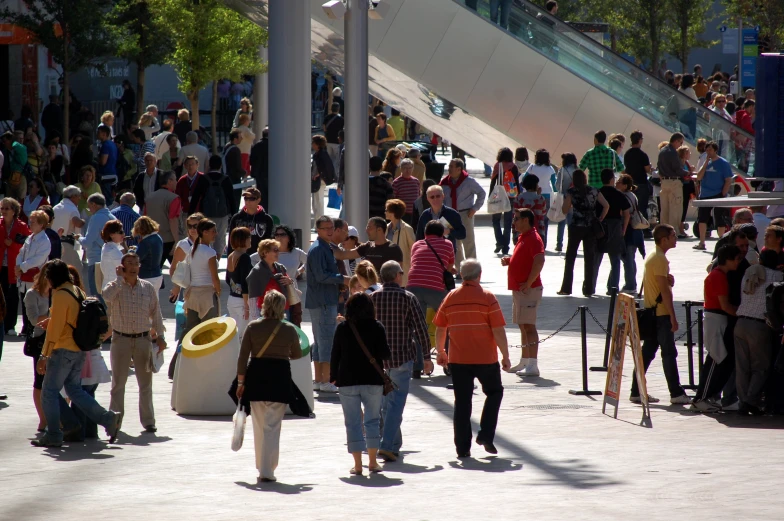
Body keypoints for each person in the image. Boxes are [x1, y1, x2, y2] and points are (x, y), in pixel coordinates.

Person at [31, 259, 122, 448]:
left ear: (52, 277)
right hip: (79, 350)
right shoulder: (76, 290)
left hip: (62, 350)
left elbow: (55, 329)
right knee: (74, 390)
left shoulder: (60, 294)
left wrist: (44, 355)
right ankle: (106, 419)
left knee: (48, 392)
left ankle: (54, 434)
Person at [433, 259, 511, 457]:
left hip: (459, 359)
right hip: (486, 358)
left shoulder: (450, 297)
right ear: (480, 275)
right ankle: (485, 434)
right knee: (494, 392)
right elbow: (498, 330)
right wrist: (506, 355)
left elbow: (441, 327)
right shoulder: (488, 297)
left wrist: (441, 351)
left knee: (462, 403)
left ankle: (462, 448)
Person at [235, 290, 304, 483]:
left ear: (263, 305)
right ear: (283, 307)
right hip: (279, 376)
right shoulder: (289, 329)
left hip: (256, 375)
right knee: (273, 426)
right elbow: (297, 354)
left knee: (258, 424)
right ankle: (268, 469)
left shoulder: (253, 327)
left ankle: (262, 466)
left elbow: (242, 357)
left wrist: (241, 382)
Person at [370, 261, 432, 462]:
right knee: (395, 405)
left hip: (377, 362)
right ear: (397, 275)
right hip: (401, 358)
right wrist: (427, 358)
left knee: (388, 405)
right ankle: (387, 445)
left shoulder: (372, 298)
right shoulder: (408, 298)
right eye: (402, 273)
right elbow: (421, 329)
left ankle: (393, 446)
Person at [104, 252, 166, 433]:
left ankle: (148, 421)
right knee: (118, 384)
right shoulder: (115, 286)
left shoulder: (147, 288)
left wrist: (160, 336)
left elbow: (156, 312)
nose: (132, 267)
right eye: (128, 264)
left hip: (142, 340)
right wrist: (118, 278)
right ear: (122, 267)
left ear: (139, 266)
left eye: (135, 264)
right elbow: (106, 296)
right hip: (120, 339)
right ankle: (114, 420)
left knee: (145, 384)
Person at [629, 224, 690, 404]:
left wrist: (669, 281)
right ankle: (676, 393)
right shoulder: (660, 259)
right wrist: (673, 316)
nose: (676, 238)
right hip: (661, 314)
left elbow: (661, 284)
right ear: (664, 239)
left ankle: (635, 390)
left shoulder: (654, 256)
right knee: (669, 353)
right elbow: (665, 292)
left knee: (647, 353)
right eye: (673, 236)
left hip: (652, 312)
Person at [330, 292, 390, 474]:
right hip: (372, 380)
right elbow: (385, 354)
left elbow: (335, 355)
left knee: (353, 422)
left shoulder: (343, 328)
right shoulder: (377, 327)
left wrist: (333, 376)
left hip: (347, 381)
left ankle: (357, 465)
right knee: (372, 420)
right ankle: (372, 462)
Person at [691, 245, 742, 413]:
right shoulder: (718, 276)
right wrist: (741, 313)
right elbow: (725, 305)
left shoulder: (719, 275)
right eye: (736, 259)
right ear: (728, 259)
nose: (738, 262)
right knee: (714, 358)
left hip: (718, 318)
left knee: (721, 359)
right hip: (716, 318)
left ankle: (709, 396)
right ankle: (700, 398)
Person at [734, 250, 782, 414]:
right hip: (759, 324)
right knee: (760, 366)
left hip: (741, 322)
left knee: (742, 366)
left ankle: (742, 401)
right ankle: (750, 400)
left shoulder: (749, 271)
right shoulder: (777, 276)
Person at [307, 216, 351, 392]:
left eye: (331, 227)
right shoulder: (319, 249)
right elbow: (321, 276)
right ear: (317, 230)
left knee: (320, 342)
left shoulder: (324, 247)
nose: (329, 231)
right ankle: (326, 380)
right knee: (326, 341)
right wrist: (343, 279)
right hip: (323, 301)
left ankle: (319, 379)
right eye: (325, 228)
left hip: (323, 300)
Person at [501, 208, 545, 375]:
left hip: (528, 290)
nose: (514, 222)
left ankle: (533, 365)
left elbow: (539, 261)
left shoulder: (533, 238)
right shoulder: (523, 237)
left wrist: (529, 282)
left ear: (526, 220)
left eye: (517, 219)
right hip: (520, 290)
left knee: (529, 326)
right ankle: (525, 361)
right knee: (523, 325)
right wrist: (510, 261)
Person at [558, 170, 609, 296]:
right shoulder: (594, 190)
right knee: (589, 258)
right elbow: (606, 205)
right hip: (591, 227)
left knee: (570, 258)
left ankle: (566, 288)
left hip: (576, 226)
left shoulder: (571, 192)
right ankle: (588, 289)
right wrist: (601, 217)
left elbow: (564, 210)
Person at [440, 158, 486, 265]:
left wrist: (475, 208)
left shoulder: (469, 181)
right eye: (449, 166)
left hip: (465, 214)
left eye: (451, 166)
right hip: (449, 215)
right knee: (454, 243)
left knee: (468, 242)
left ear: (459, 169)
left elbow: (481, 193)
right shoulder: (445, 182)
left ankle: (472, 270)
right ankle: (459, 270)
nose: (449, 169)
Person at [593, 169, 631, 295]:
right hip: (615, 226)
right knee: (615, 260)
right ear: (611, 179)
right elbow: (626, 214)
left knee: (596, 259)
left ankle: (590, 287)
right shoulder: (619, 194)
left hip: (600, 227)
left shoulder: (597, 193)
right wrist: (623, 229)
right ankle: (613, 288)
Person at [182, 219, 221, 339]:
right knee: (208, 330)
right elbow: (215, 277)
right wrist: (218, 292)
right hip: (206, 296)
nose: (216, 234)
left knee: (190, 331)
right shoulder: (210, 252)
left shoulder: (192, 249)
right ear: (204, 232)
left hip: (192, 294)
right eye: (213, 231)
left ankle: (181, 356)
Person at [248, 238, 300, 327]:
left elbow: (290, 285)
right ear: (265, 253)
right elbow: (253, 298)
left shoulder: (280, 268)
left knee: (283, 337)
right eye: (275, 250)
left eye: (278, 250)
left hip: (284, 310)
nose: (278, 253)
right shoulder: (257, 272)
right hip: (266, 312)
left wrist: (290, 281)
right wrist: (255, 319)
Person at [16, 210, 51, 335]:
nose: (30, 225)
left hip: (36, 277)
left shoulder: (44, 240)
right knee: (26, 302)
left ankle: (34, 328)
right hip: (24, 276)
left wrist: (22, 266)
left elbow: (39, 259)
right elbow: (21, 253)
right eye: (30, 222)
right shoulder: (30, 238)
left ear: (42, 224)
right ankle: (26, 327)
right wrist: (18, 265)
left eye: (33, 222)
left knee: (35, 303)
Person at [694, 142, 733, 251]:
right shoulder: (705, 162)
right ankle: (702, 242)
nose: (708, 152)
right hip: (705, 194)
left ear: (715, 150)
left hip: (718, 194)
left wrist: (723, 194)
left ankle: (721, 241)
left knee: (719, 218)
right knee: (702, 218)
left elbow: (728, 180)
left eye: (710, 150)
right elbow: (699, 177)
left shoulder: (723, 163)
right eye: (707, 150)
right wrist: (706, 162)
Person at [0, 198, 30, 335]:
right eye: (2, 208)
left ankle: (10, 325)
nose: (4, 211)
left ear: (14, 211)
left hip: (14, 266)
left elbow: (27, 245)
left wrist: (11, 244)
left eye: (7, 208)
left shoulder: (21, 226)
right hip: (1, 265)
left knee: (12, 296)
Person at [334, 217, 404, 273]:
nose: (366, 230)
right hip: (369, 290)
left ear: (379, 230)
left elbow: (398, 274)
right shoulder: (367, 246)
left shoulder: (393, 249)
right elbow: (342, 255)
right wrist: (329, 242)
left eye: (369, 227)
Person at [25, 270, 48, 431]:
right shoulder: (32, 294)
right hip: (40, 341)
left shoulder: (58, 293)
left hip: (58, 340)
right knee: (39, 381)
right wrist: (55, 318)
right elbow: (34, 320)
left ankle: (56, 418)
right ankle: (43, 419)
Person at [78, 193, 113, 297]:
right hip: (109, 259)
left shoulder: (96, 218)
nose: (90, 210)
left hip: (96, 260)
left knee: (96, 294)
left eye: (89, 207)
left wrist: (78, 238)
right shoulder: (112, 216)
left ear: (94, 204)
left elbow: (87, 242)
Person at [144, 171, 181, 267]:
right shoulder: (174, 198)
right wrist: (177, 241)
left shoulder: (149, 198)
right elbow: (173, 220)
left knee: (155, 269)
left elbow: (144, 218)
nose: (177, 182)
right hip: (169, 239)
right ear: (170, 181)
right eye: (175, 179)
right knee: (178, 272)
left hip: (152, 237)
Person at [415, 185, 466, 255]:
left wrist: (449, 231)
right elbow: (419, 237)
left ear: (443, 196)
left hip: (447, 252)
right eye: (432, 197)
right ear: (428, 199)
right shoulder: (425, 215)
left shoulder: (452, 214)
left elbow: (462, 234)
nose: (435, 199)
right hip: (429, 252)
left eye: (438, 196)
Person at [202, 154, 236, 259]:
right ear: (220, 166)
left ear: (209, 165)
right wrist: (234, 215)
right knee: (220, 239)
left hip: (206, 214)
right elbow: (231, 198)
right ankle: (216, 262)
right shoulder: (225, 179)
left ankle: (208, 261)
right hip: (222, 214)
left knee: (207, 238)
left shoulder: (204, 179)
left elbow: (196, 197)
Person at [490, 148, 522, 255]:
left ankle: (499, 242)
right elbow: (517, 183)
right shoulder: (513, 167)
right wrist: (518, 196)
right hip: (510, 197)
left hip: (498, 196)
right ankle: (506, 247)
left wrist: (490, 196)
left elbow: (493, 182)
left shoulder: (497, 166)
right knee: (508, 222)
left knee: (495, 220)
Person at [616, 174, 644, 293]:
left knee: (628, 259)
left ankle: (630, 285)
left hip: (628, 230)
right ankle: (632, 283)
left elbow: (624, 214)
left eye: (619, 182)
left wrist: (622, 230)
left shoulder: (624, 197)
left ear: (625, 185)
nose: (617, 184)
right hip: (635, 230)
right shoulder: (632, 195)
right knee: (630, 258)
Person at [52, 186, 85, 283]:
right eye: (79, 196)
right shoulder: (72, 209)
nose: (80, 199)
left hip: (55, 244)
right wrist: (83, 221)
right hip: (67, 244)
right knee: (77, 271)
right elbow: (77, 222)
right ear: (73, 196)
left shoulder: (56, 207)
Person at [524, 149, 556, 245]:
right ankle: (543, 242)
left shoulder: (532, 167)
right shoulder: (550, 169)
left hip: (533, 195)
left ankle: (533, 239)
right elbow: (554, 185)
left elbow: (525, 179)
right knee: (544, 220)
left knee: (532, 218)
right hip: (547, 195)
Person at [226, 227, 253, 343]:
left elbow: (228, 280)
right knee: (242, 336)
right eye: (249, 237)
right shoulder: (244, 257)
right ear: (244, 239)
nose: (250, 239)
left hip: (231, 299)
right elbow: (245, 282)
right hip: (242, 301)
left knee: (235, 335)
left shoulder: (231, 255)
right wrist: (247, 306)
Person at [656, 132, 686, 232]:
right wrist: (688, 173)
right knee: (675, 209)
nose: (680, 145)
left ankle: (663, 231)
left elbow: (659, 167)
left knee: (664, 210)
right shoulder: (672, 152)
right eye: (680, 143)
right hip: (674, 182)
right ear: (676, 141)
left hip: (664, 183)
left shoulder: (662, 151)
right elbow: (677, 169)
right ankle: (673, 232)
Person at [385, 199, 416, 286]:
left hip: (402, 270)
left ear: (393, 212)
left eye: (386, 210)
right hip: (387, 269)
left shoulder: (407, 229)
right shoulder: (386, 228)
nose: (385, 212)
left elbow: (414, 249)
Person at [623, 131, 652, 223]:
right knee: (642, 207)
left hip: (631, 183)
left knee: (631, 206)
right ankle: (643, 226)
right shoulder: (643, 155)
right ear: (640, 140)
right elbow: (647, 169)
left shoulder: (627, 154)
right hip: (642, 183)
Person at [132, 216, 164, 290]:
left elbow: (136, 258)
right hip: (157, 275)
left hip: (147, 277)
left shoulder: (145, 242)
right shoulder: (158, 237)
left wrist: (131, 250)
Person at [554, 153, 577, 252]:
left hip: (563, 197)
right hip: (574, 198)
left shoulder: (562, 170)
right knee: (571, 223)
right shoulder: (577, 170)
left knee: (561, 222)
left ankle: (559, 244)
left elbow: (557, 184)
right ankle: (571, 243)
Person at [175, 155, 210, 219]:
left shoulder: (204, 178)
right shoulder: (182, 180)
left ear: (197, 165)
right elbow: (178, 196)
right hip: (186, 212)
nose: (190, 166)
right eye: (188, 164)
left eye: (192, 164)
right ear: (185, 166)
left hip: (201, 211)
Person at [311, 135, 335, 222]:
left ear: (317, 144)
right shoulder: (318, 154)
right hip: (317, 180)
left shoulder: (322, 154)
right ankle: (318, 222)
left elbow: (327, 167)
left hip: (320, 181)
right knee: (315, 202)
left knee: (318, 202)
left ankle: (320, 222)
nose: (312, 144)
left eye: (313, 142)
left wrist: (319, 175)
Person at [516, 174, 547, 238]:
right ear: (535, 185)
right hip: (538, 231)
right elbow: (543, 212)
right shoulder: (540, 199)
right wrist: (539, 195)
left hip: (521, 232)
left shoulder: (519, 198)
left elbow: (515, 214)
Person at [392, 159, 420, 226]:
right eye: (405, 168)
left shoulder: (416, 181)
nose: (407, 170)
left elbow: (418, 196)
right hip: (402, 214)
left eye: (410, 168)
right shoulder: (396, 182)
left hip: (414, 213)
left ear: (413, 168)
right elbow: (393, 199)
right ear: (401, 169)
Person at [1, 131, 29, 201]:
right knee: (9, 201)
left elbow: (18, 147)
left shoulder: (19, 147)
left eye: (5, 141)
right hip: (9, 179)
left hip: (20, 177)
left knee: (21, 200)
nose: (4, 143)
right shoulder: (5, 151)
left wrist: (14, 142)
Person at [100, 220, 125, 291]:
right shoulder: (113, 250)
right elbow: (125, 268)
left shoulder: (107, 246)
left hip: (108, 286)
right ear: (111, 234)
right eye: (120, 232)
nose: (123, 235)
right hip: (114, 288)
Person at [96, 126, 118, 202]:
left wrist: (96, 159)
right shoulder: (112, 144)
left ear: (104, 134)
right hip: (112, 173)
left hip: (106, 175)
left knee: (107, 199)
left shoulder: (105, 145)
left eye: (98, 132)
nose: (97, 134)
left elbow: (103, 162)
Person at [249, 127, 269, 210]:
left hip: (259, 174)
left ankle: (262, 209)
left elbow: (251, 160)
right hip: (269, 174)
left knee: (261, 193)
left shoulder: (256, 146)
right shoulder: (274, 146)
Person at [322, 102, 344, 172]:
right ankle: (335, 174)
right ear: (338, 109)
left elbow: (324, 128)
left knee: (330, 158)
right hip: (337, 141)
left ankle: (330, 173)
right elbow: (342, 130)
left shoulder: (327, 118)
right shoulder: (341, 119)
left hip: (328, 140)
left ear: (331, 109)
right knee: (337, 160)